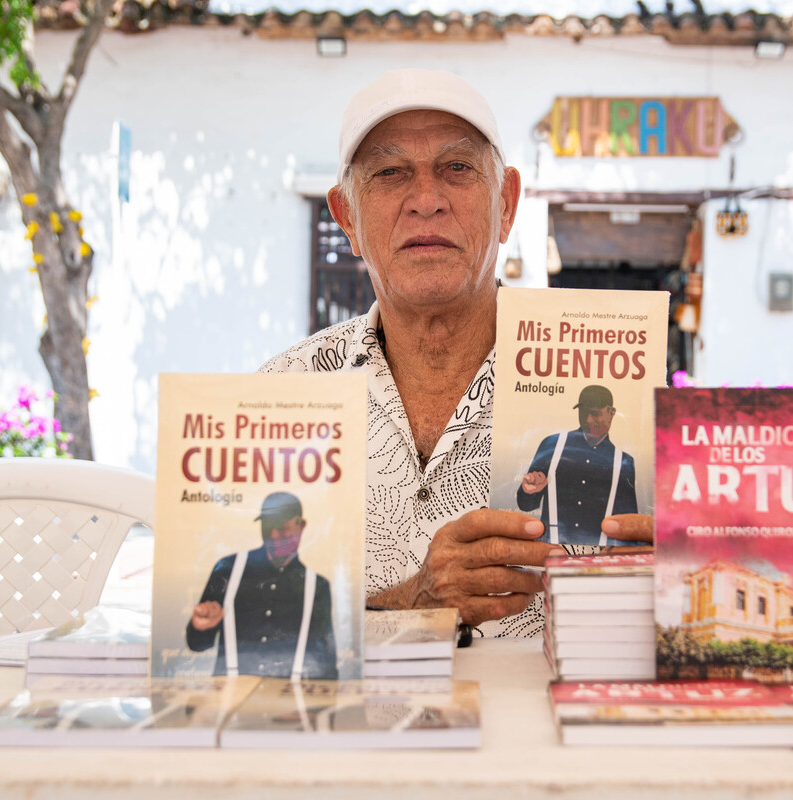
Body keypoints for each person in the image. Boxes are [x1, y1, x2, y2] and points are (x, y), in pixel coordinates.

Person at [260, 69, 651, 637]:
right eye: (390, 173)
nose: (425, 201)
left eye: (457, 169)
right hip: (349, 727)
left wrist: (669, 576)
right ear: (347, 217)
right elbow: (242, 630)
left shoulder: (625, 389)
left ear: (507, 205)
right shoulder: (280, 395)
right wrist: (408, 604)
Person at [186, 492, 338, 678]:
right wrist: (201, 627)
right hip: (230, 702)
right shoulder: (227, 569)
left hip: (288, 704)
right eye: (268, 526)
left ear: (301, 525)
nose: (274, 534)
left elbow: (326, 667)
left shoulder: (317, 587)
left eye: (282, 525)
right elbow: (197, 645)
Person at [516, 385, 638, 546]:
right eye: (583, 412)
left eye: (594, 413)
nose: (587, 420)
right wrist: (528, 491)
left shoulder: (624, 462)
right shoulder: (551, 445)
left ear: (611, 413)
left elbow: (628, 525)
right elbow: (526, 505)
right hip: (549, 556)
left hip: (598, 563)